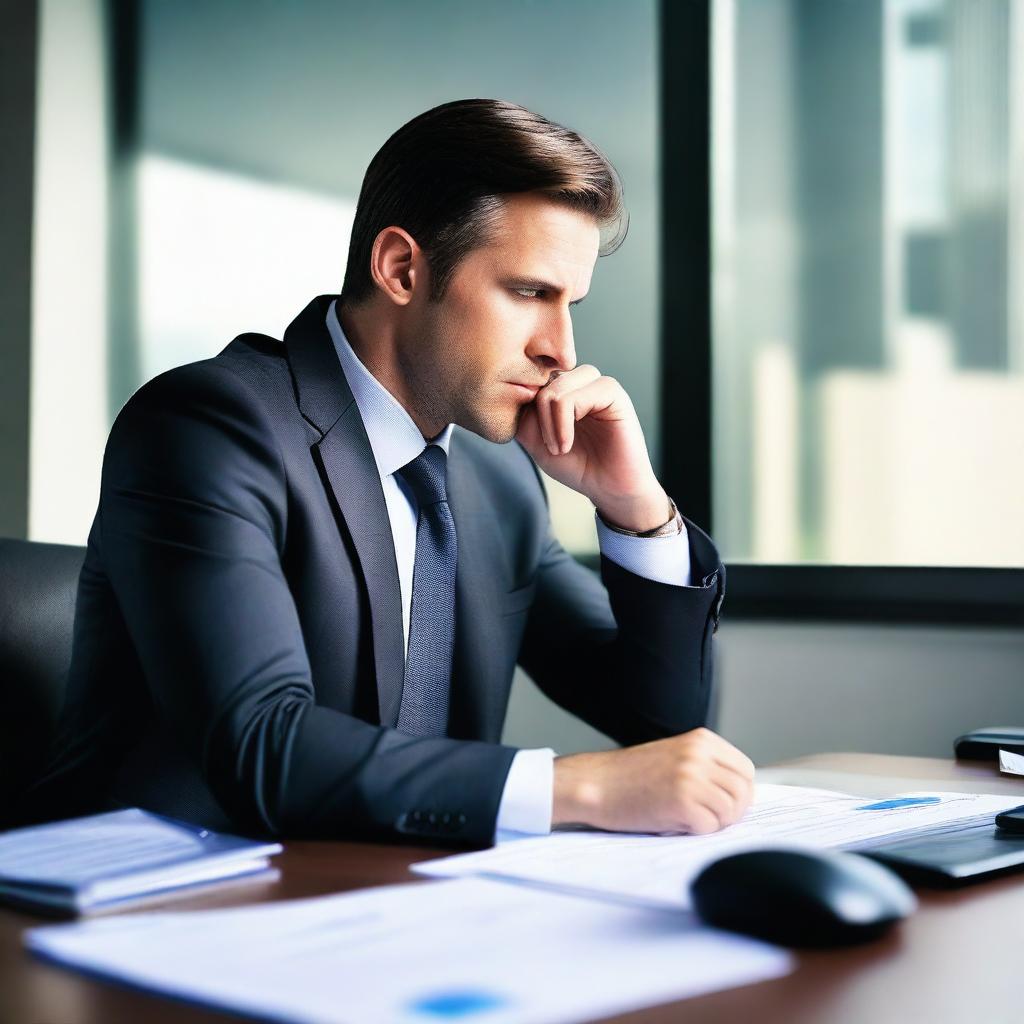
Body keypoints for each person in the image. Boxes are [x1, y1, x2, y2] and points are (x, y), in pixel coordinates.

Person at [34, 99, 754, 845]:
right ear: (402, 268)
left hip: (383, 902)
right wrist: (571, 785)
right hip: (141, 908)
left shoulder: (497, 484)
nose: (562, 351)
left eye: (570, 303)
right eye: (529, 292)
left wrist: (639, 512)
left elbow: (663, 724)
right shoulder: (208, 425)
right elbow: (260, 745)